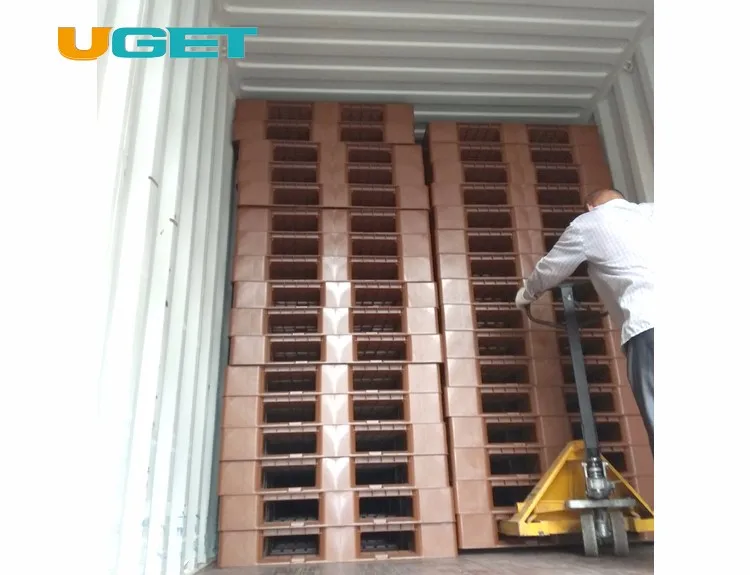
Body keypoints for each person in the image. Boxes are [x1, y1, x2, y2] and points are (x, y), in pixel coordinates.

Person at [514, 188, 654, 454]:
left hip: (648, 326)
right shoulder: (653, 212)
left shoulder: (588, 224)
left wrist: (527, 293)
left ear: (590, 207)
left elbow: (552, 268)